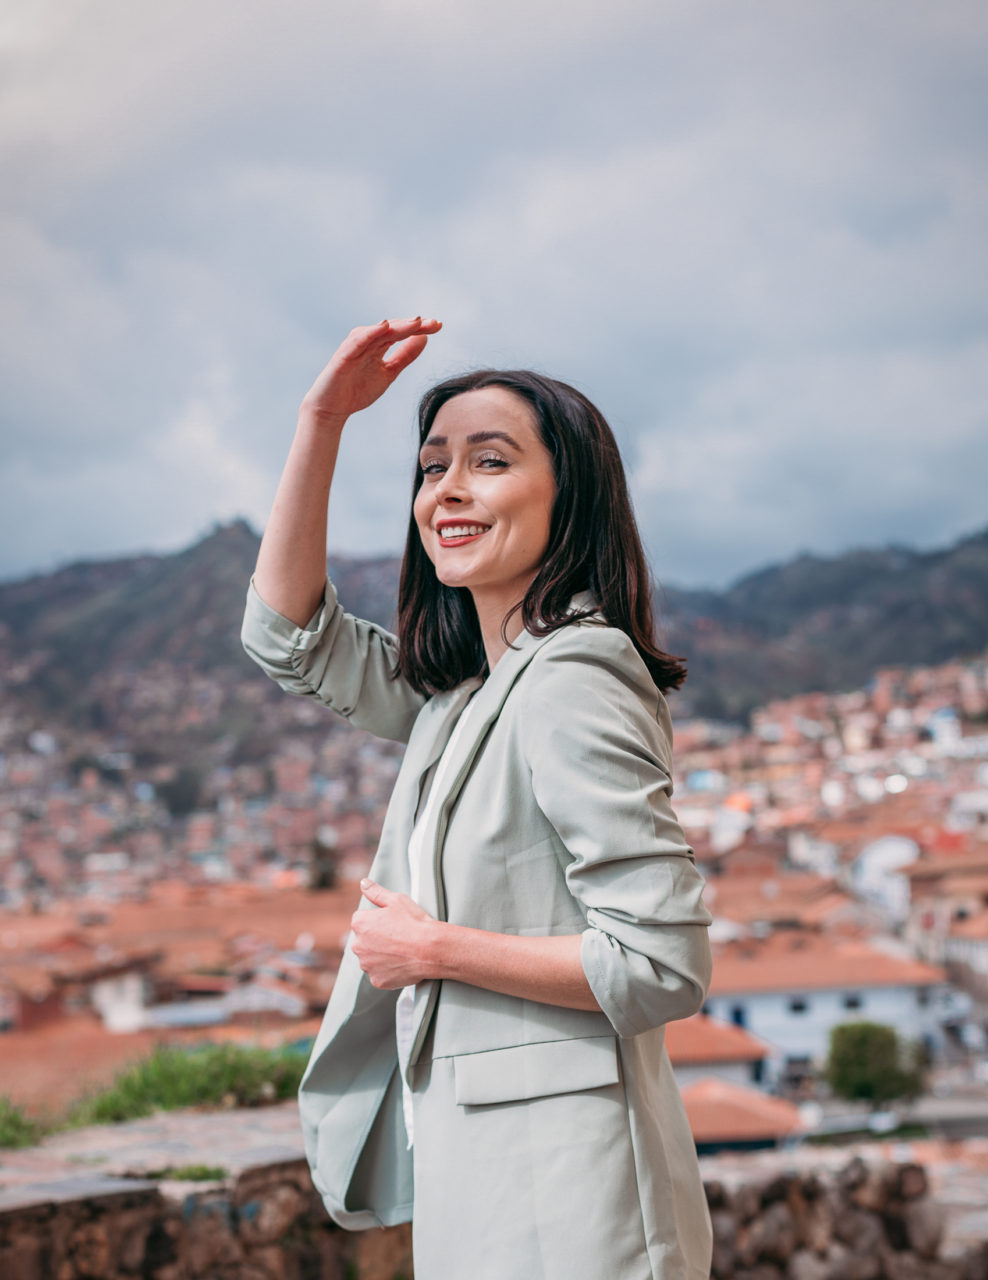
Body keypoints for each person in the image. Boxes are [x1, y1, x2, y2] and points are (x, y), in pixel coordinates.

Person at [241, 317, 714, 1278]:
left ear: (567, 497)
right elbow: (289, 639)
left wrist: (433, 950)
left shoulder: (573, 675)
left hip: (575, 1196)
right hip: (490, 1174)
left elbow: (662, 961)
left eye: (489, 462)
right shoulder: (464, 696)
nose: (447, 489)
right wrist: (322, 420)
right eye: (430, 467)